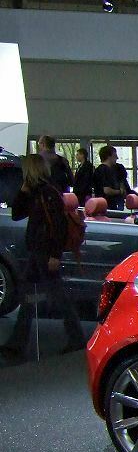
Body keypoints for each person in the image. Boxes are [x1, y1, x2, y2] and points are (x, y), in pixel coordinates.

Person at [0, 154, 86, 361]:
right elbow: (17, 214)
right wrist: (23, 191)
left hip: (45, 253)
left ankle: (75, 338)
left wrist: (55, 255)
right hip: (37, 252)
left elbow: (58, 226)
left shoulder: (48, 193)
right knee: (30, 298)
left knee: (55, 296)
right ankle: (17, 344)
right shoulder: (36, 192)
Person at [92, 145, 129, 210]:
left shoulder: (115, 169)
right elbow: (107, 190)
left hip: (109, 204)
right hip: (107, 206)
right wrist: (120, 192)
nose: (117, 158)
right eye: (115, 155)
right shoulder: (103, 170)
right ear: (109, 156)